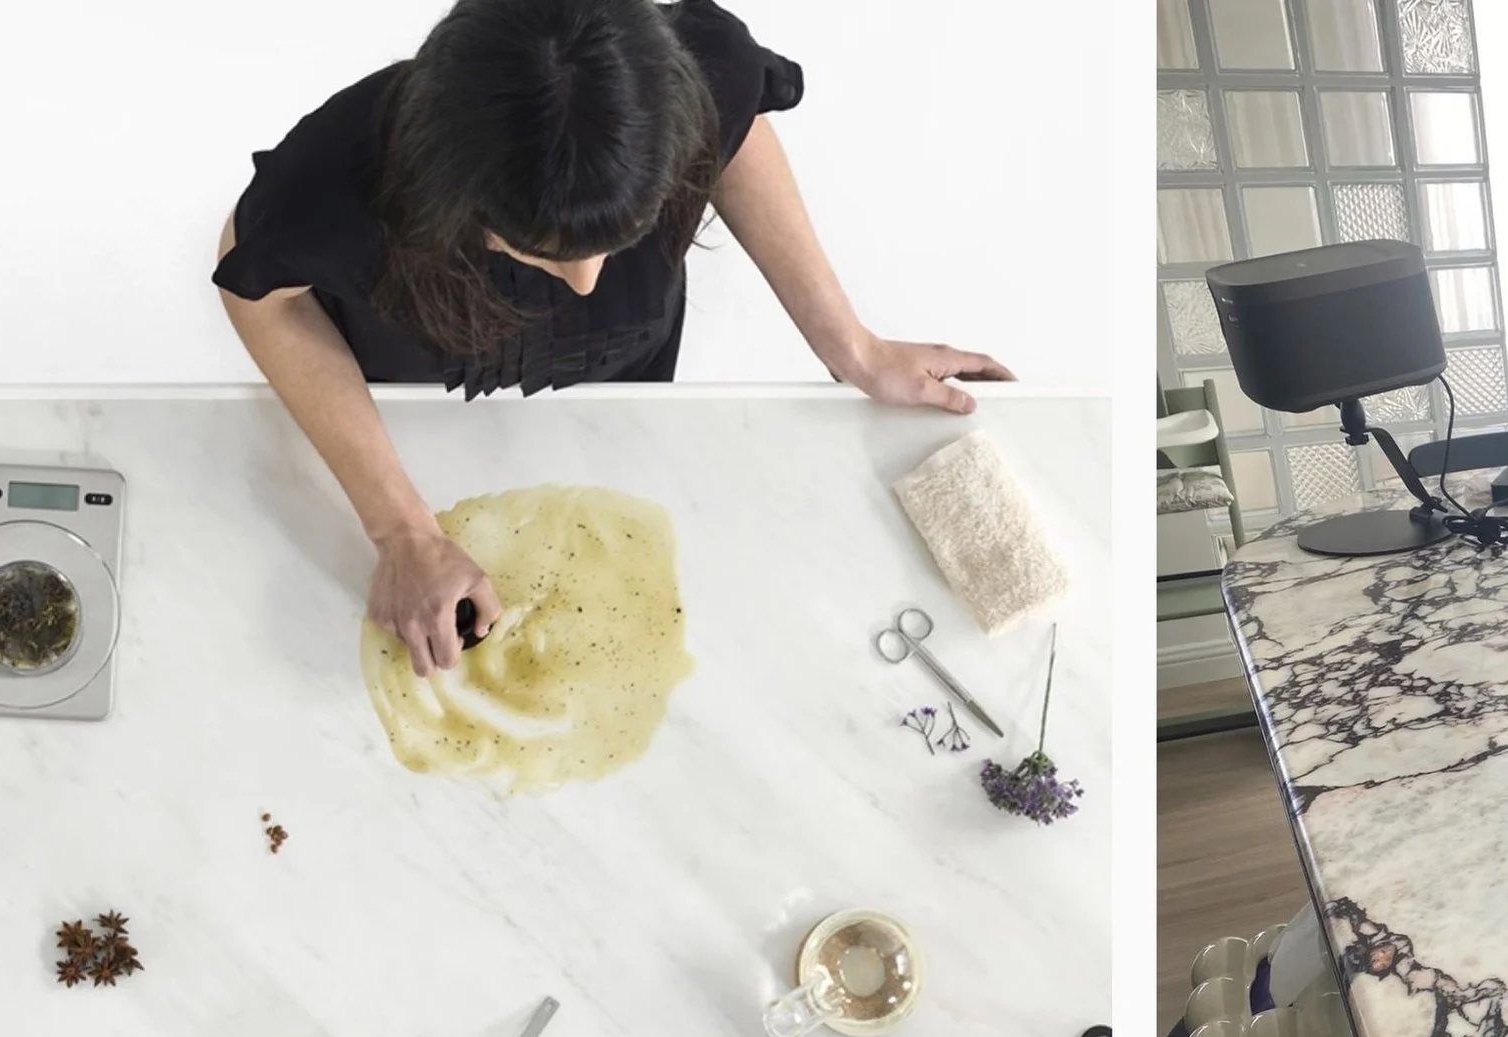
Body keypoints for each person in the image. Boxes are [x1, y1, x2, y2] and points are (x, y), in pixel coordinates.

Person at [215, 0, 1011, 674]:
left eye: (617, 238)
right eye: (533, 250)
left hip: (623, 371)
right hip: (415, 402)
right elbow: (264, 298)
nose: (587, 283)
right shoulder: (340, 179)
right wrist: (401, 530)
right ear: (445, 191)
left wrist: (853, 348)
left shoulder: (688, 68)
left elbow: (737, 130)